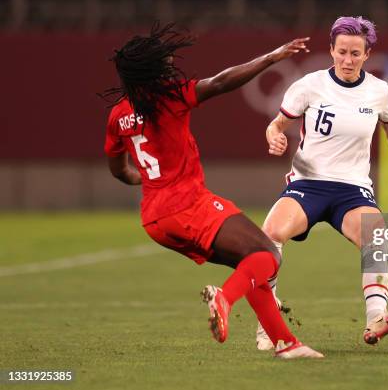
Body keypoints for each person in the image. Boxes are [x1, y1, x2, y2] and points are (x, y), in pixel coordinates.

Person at [101, 22, 322, 359]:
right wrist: (272, 57)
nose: (169, 62)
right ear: (150, 68)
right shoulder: (170, 98)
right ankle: (225, 298)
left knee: (249, 265)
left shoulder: (118, 115)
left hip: (154, 220)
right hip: (188, 205)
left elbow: (119, 171)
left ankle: (285, 343)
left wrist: (147, 178)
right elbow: (220, 82)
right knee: (268, 256)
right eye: (162, 59)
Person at [256, 16, 388, 350]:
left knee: (376, 236)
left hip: (352, 190)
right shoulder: (309, 85)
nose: (348, 60)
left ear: (367, 55)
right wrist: (274, 137)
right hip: (309, 183)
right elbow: (276, 125)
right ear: (331, 50)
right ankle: (267, 323)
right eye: (342, 52)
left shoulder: (378, 91)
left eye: (355, 53)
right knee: (270, 234)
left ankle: (376, 320)